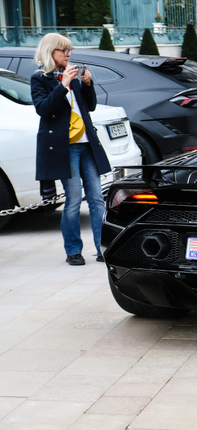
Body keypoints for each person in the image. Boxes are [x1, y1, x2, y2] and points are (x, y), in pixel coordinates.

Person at [30, 33, 111, 265]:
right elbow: (43, 109)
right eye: (63, 51)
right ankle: (73, 250)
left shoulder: (74, 77)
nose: (68, 54)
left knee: (96, 198)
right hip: (65, 147)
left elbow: (91, 106)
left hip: (87, 145)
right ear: (50, 52)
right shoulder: (40, 78)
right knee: (74, 199)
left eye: (69, 50)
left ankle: (102, 248)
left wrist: (87, 84)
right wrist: (63, 84)